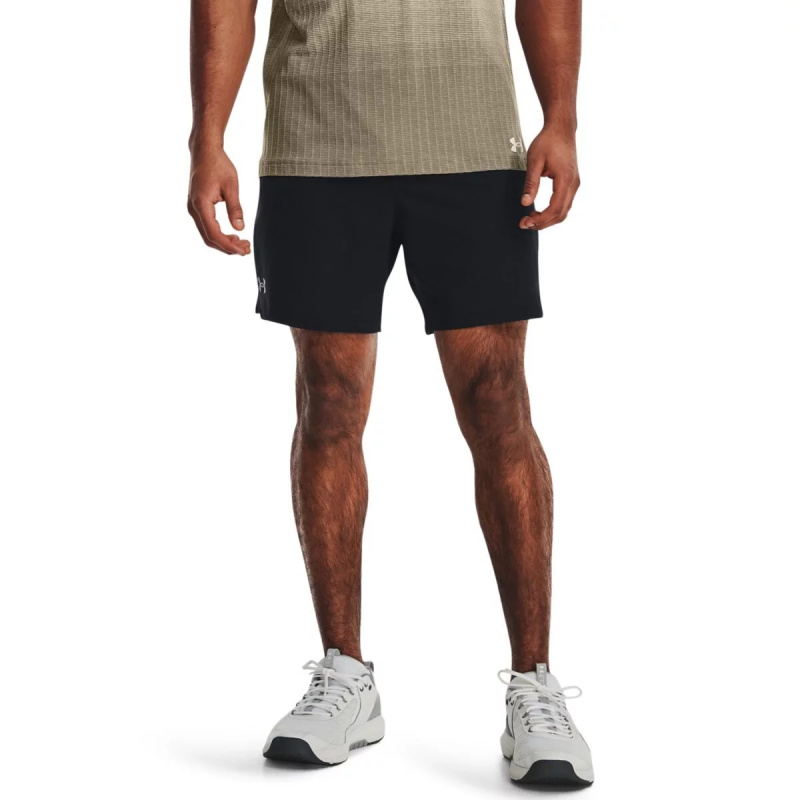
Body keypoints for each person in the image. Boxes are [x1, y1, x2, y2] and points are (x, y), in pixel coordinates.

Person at [188, 0, 592, 787]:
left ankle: (535, 682)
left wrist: (562, 118)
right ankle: (344, 671)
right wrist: (208, 138)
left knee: (497, 400)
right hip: (316, 144)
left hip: (475, 139)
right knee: (328, 399)